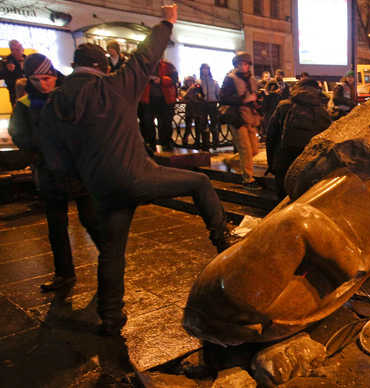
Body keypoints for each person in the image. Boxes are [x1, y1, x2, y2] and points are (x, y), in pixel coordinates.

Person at [39, 4, 231, 336]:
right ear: (101, 66)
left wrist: (79, 178)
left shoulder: (56, 102)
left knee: (111, 252)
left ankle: (111, 316)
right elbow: (146, 56)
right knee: (200, 182)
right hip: (136, 175)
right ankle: (224, 242)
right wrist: (167, 23)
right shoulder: (114, 86)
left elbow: (54, 155)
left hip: (100, 186)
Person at [9, 54, 102, 293]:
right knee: (56, 226)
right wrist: (44, 151)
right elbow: (20, 136)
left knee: (90, 218)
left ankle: (111, 259)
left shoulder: (66, 97)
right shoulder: (26, 104)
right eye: (37, 79)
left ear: (54, 76)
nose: (43, 84)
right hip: (50, 171)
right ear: (29, 80)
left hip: (77, 170)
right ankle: (64, 274)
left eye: (47, 78)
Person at [266, 78, 332, 197]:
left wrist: (271, 164)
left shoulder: (284, 106)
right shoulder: (322, 109)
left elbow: (271, 136)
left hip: (284, 160)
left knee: (282, 199)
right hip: (310, 163)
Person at [219, 51, 263, 190]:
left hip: (250, 116)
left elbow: (254, 96)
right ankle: (248, 179)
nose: (244, 67)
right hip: (237, 117)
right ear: (236, 65)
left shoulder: (251, 79)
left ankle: (230, 161)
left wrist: (258, 100)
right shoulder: (230, 79)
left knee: (254, 150)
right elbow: (223, 98)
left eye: (246, 64)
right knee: (245, 149)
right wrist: (243, 99)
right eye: (241, 64)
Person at [140, 58, 178, 151]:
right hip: (148, 99)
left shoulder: (168, 66)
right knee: (147, 123)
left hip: (165, 100)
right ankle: (151, 143)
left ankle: (165, 143)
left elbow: (174, 79)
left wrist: (160, 80)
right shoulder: (143, 65)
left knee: (165, 123)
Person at [198, 63, 221, 149]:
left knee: (214, 123)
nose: (205, 70)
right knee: (203, 123)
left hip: (212, 103)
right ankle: (205, 144)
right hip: (203, 104)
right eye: (203, 69)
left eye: (207, 69)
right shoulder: (199, 81)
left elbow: (218, 92)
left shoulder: (213, 81)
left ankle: (215, 142)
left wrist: (219, 100)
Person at [180, 75, 204, 147]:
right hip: (189, 109)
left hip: (197, 108)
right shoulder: (183, 88)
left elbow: (201, 96)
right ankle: (185, 141)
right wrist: (190, 89)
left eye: (191, 81)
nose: (190, 82)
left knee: (198, 126)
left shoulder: (197, 88)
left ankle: (197, 141)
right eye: (188, 81)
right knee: (188, 126)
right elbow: (183, 97)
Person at [1, 40, 26, 106]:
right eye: (14, 49)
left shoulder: (29, 59)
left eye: (19, 48)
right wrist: (7, 70)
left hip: (30, 91)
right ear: (11, 50)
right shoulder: (6, 61)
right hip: (14, 93)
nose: (18, 51)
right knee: (18, 111)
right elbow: (1, 75)